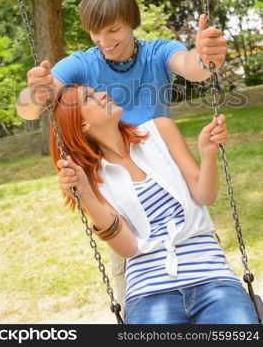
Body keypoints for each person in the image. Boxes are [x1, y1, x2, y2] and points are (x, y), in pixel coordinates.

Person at [16, 0, 227, 307]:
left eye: (113, 29)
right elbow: (30, 108)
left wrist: (205, 55)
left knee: (202, 274)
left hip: (166, 180)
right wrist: (35, 91)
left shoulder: (158, 51)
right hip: (119, 194)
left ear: (131, 21)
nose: (104, 41)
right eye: (95, 32)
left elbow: (193, 66)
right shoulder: (82, 63)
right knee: (132, 290)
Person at [50, 84, 258, 324]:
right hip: (149, 292)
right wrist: (86, 195)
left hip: (211, 277)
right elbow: (127, 248)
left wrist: (207, 153)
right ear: (83, 125)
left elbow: (205, 196)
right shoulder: (91, 179)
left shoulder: (159, 131)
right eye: (90, 98)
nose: (103, 94)